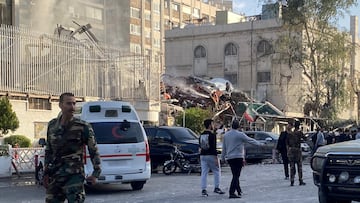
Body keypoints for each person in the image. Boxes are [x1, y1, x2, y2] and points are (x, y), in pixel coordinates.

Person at [43, 92, 101, 203]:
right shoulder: (52, 125)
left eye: (74, 103)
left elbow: (93, 150)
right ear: (60, 105)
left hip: (74, 177)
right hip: (55, 176)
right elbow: (49, 150)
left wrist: (95, 173)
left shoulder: (83, 126)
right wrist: (46, 172)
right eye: (69, 103)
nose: (72, 107)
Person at [221, 119, 264, 199]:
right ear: (238, 126)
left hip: (230, 157)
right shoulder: (240, 134)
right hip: (238, 157)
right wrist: (260, 144)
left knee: (235, 174)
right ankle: (231, 192)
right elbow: (250, 140)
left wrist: (222, 157)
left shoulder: (226, 135)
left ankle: (238, 190)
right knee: (236, 175)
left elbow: (224, 148)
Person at [199, 119, 225, 197]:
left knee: (204, 173)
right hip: (211, 155)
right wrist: (216, 158)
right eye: (213, 124)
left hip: (203, 155)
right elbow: (213, 148)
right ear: (210, 125)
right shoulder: (212, 135)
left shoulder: (201, 135)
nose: (213, 126)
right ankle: (216, 187)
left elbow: (200, 146)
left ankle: (204, 189)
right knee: (216, 171)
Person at [286, 121, 306, 186]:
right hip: (297, 150)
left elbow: (287, 143)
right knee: (299, 166)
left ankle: (292, 181)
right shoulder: (299, 133)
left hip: (291, 150)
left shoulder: (290, 134)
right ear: (299, 125)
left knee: (292, 166)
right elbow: (305, 138)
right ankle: (300, 180)